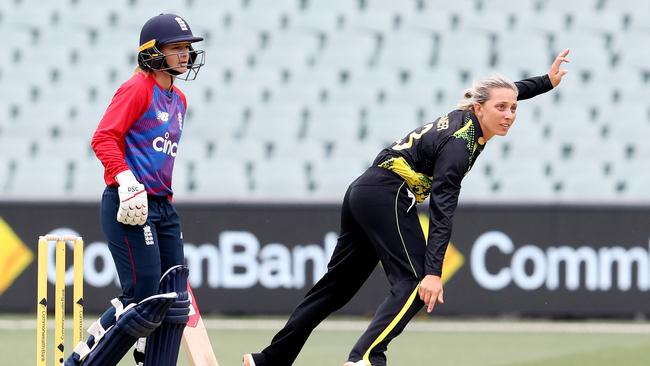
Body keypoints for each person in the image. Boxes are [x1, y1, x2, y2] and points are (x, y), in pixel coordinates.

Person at [243, 49, 570, 366]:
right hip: (387, 192)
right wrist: (433, 272)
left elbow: (508, 91)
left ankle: (269, 360)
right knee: (414, 283)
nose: (510, 115)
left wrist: (546, 82)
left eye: (514, 108)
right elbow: (443, 210)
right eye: (502, 108)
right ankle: (365, 358)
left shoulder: (470, 117)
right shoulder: (459, 145)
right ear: (480, 107)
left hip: (364, 190)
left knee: (335, 289)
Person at [64, 13, 205, 366]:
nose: (185, 54)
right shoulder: (137, 88)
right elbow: (103, 137)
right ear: (153, 52)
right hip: (129, 201)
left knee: (173, 296)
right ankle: (84, 360)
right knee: (142, 293)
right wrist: (126, 180)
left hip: (162, 206)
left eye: (187, 48)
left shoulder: (180, 100)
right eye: (177, 48)